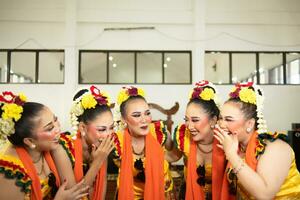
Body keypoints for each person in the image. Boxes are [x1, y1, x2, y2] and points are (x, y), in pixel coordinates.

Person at [214, 82, 300, 199]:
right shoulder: (235, 146)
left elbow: (265, 195)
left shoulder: (275, 148)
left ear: (250, 124)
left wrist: (231, 155)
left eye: (229, 119)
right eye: (220, 119)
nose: (221, 124)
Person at [0, 91, 88, 200]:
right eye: (50, 128)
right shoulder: (10, 172)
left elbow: (74, 193)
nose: (58, 129)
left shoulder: (50, 147)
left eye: (55, 120)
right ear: (30, 141)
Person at [53, 85, 115, 200]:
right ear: (82, 128)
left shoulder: (101, 146)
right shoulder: (62, 148)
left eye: (112, 127)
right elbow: (75, 196)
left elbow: (99, 192)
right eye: (102, 129)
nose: (108, 134)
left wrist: (100, 159)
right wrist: (97, 162)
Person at [167, 80, 226, 200]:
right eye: (186, 120)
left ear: (213, 121)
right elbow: (171, 156)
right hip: (188, 193)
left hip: (220, 195)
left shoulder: (225, 140)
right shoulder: (184, 136)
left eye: (195, 120)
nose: (189, 126)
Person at [112, 86, 173, 200]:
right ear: (124, 119)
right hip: (130, 194)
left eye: (147, 113)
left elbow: (174, 155)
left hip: (161, 191)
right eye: (136, 115)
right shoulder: (117, 141)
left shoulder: (160, 132)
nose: (144, 119)